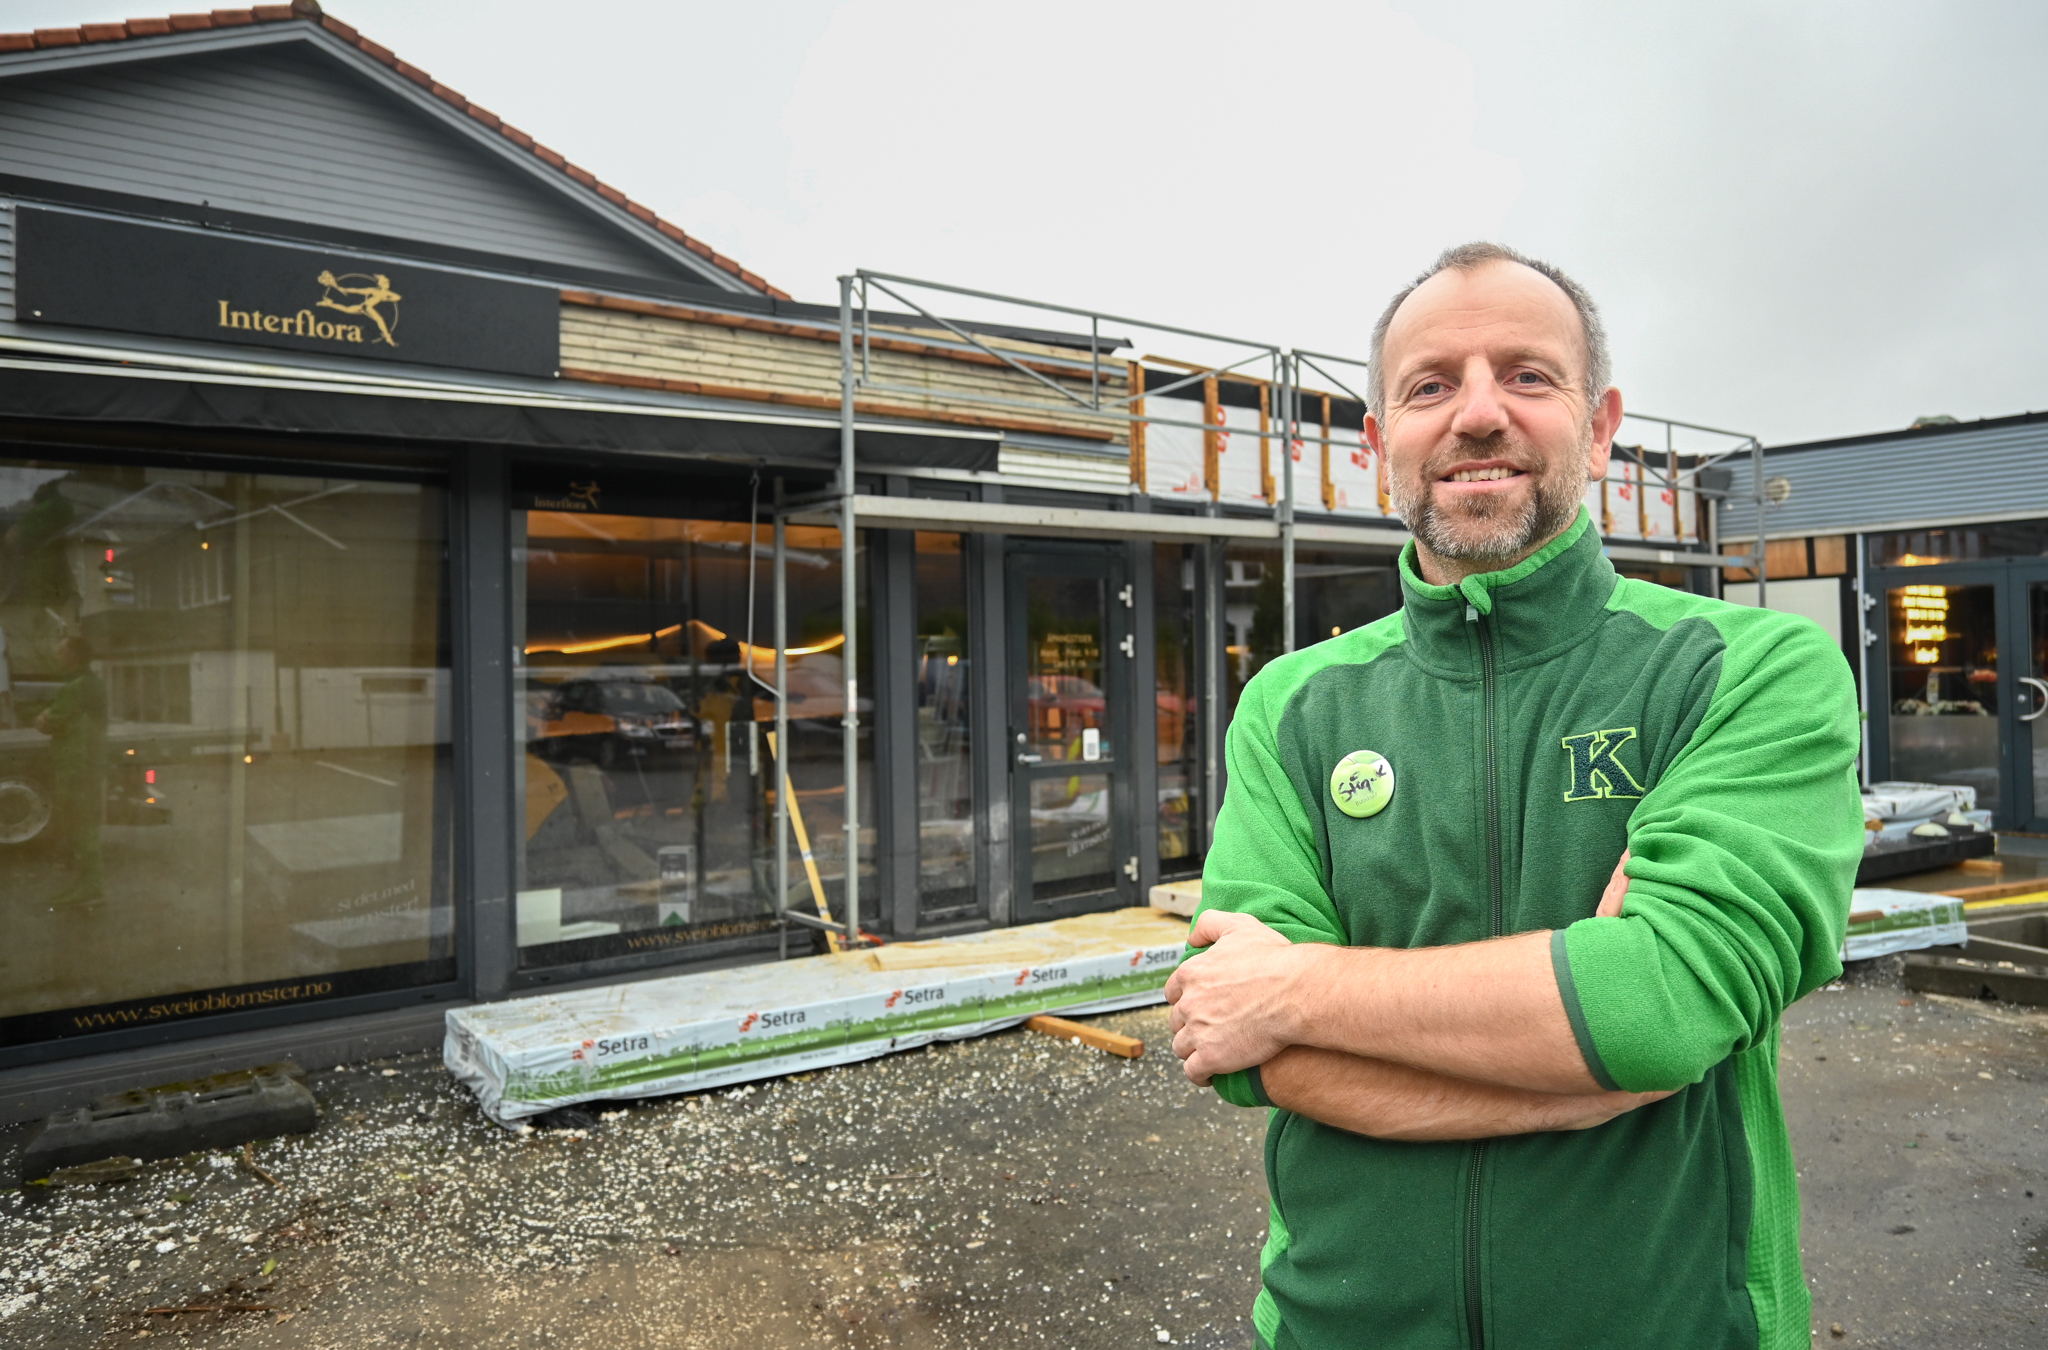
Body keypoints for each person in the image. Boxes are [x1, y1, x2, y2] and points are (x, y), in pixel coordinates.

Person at [1163, 243, 1861, 1350]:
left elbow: (1660, 1001)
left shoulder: (1746, 671)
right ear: (1375, 442)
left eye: (1527, 376)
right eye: (1428, 385)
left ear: (1597, 425)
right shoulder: (1292, 706)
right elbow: (1250, 1059)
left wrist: (1288, 987)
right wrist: (1587, 1068)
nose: (1476, 415)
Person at [37, 633, 107, 906]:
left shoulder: (73, 688)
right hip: (89, 764)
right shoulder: (93, 683)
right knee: (83, 826)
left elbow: (46, 723)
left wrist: (42, 717)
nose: (56, 656)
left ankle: (91, 888)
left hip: (76, 767)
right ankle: (86, 884)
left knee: (82, 828)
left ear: (73, 656)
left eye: (60, 652)